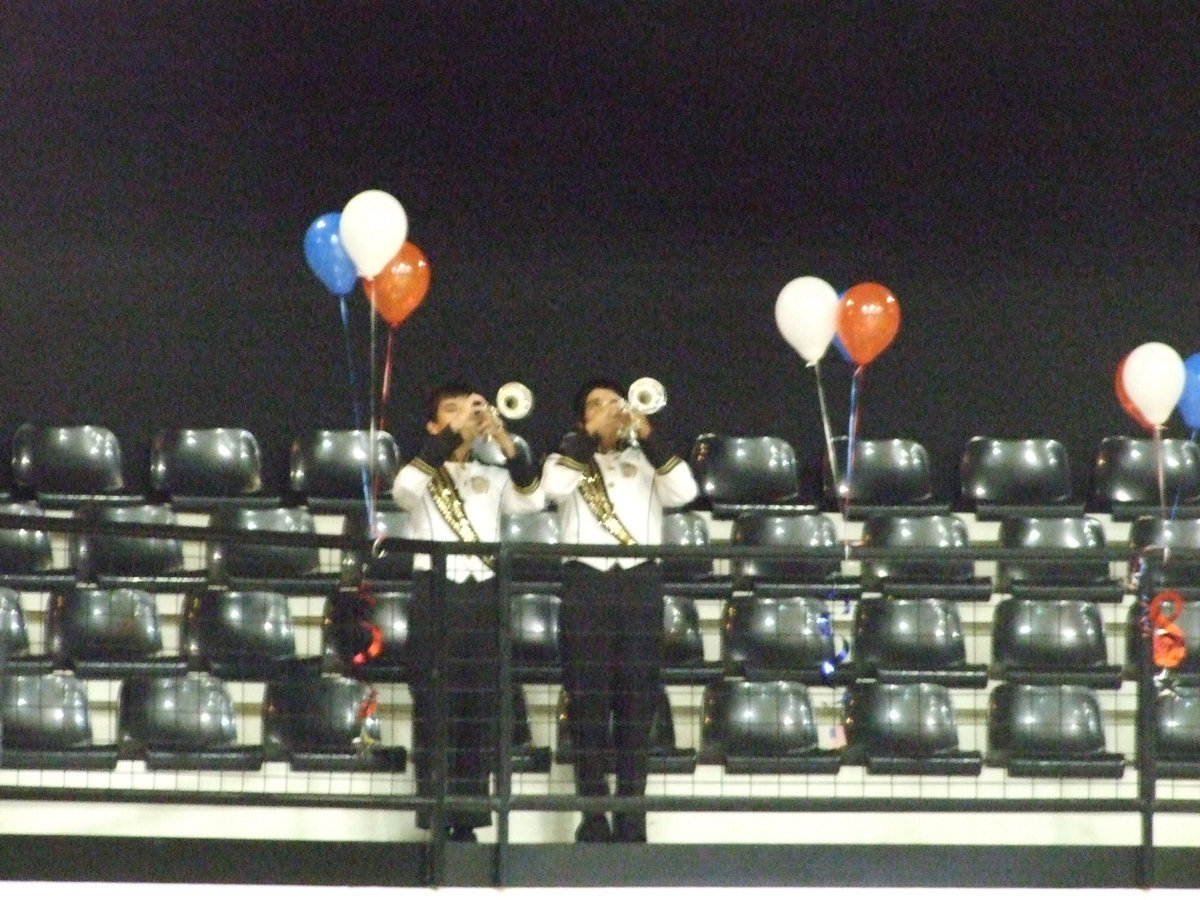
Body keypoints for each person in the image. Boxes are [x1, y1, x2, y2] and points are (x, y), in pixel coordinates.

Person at [542, 377, 699, 843]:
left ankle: (632, 814)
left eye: (615, 402)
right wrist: (592, 436)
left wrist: (647, 434)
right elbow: (552, 486)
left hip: (639, 585)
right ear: (580, 419)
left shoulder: (647, 463)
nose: (609, 409)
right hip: (584, 584)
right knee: (586, 702)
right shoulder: (564, 460)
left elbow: (686, 490)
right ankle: (593, 814)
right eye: (596, 404)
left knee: (636, 703)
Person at [392, 379, 545, 841]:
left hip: (483, 596)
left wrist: (501, 439)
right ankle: (437, 816)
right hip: (436, 592)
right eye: (452, 409)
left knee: (480, 706)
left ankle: (472, 818)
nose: (466, 415)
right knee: (437, 706)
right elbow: (402, 491)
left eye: (472, 407)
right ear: (433, 423)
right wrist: (449, 438)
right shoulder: (419, 471)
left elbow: (533, 499)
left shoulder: (493, 474)